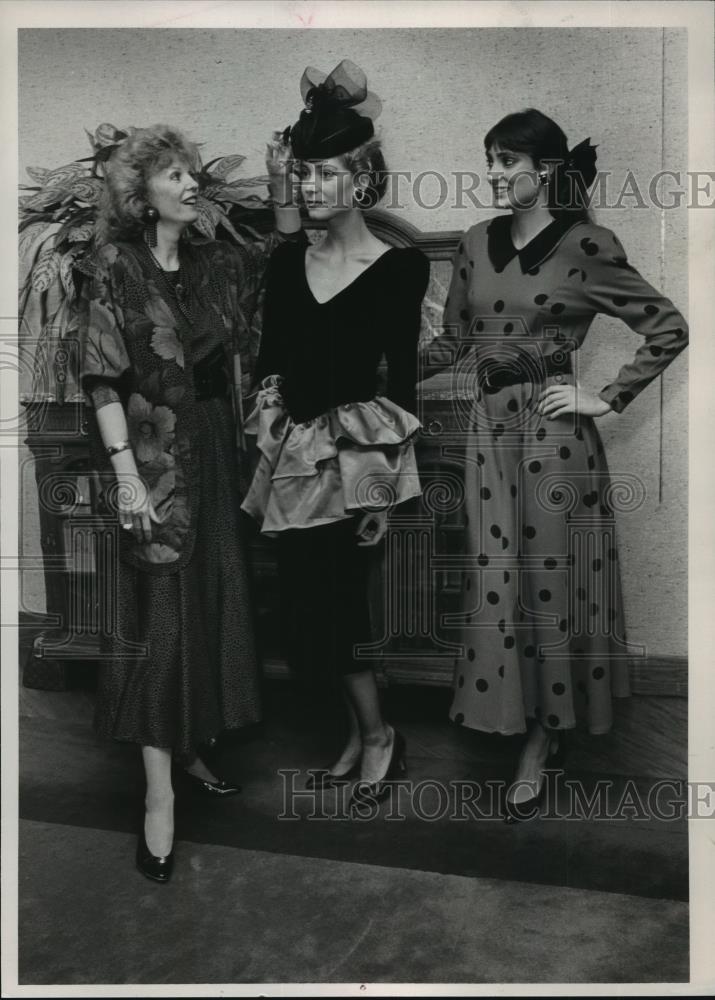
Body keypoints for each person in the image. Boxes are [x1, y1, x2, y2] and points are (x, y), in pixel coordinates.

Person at [421, 108, 688, 821]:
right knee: (494, 581)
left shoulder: (586, 244)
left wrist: (606, 395)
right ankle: (513, 717)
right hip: (487, 434)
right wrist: (382, 368)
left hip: (551, 440)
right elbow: (452, 341)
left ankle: (541, 740)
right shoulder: (475, 244)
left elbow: (667, 327)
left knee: (546, 587)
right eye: (489, 159)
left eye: (508, 161)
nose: (495, 173)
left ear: (544, 170)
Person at [77, 124, 302, 881]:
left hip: (214, 448)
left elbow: (283, 253)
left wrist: (277, 177)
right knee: (162, 619)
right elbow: (101, 378)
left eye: (192, 171)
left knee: (207, 601)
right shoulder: (111, 263)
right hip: (148, 451)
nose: (191, 182)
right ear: (141, 195)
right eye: (174, 175)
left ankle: (194, 745)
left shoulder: (214, 263)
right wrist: (125, 475)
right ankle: (157, 799)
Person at [241, 61, 430, 806]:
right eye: (303, 174)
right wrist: (268, 438)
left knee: (342, 607)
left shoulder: (399, 269)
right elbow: (271, 365)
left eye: (323, 174)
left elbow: (403, 385)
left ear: (360, 180)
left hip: (357, 464)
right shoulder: (289, 265)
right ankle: (358, 733)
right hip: (293, 459)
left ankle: (381, 736)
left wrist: (383, 490)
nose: (311, 185)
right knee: (301, 613)